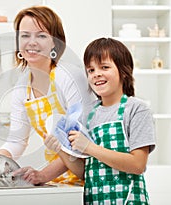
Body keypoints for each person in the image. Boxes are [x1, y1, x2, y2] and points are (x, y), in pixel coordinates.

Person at [44, 37, 156, 204]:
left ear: (123, 71)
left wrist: (89, 147)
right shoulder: (88, 114)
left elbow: (138, 164)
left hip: (128, 200)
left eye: (104, 67)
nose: (96, 74)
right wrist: (60, 149)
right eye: (91, 70)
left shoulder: (136, 109)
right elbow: (84, 172)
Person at [0, 5, 95, 186]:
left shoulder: (68, 77)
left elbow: (82, 139)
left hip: (89, 176)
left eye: (41, 35)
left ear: (54, 43)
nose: (31, 42)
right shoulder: (22, 87)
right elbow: (16, 141)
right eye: (25, 35)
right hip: (60, 180)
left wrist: (43, 175)